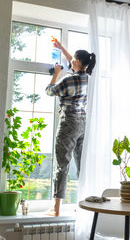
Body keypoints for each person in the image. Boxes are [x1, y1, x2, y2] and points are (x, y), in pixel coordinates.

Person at [45, 39, 96, 216]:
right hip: (83, 123)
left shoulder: (68, 80)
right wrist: (61, 48)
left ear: (79, 62)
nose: (70, 61)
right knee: (81, 164)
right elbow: (74, 63)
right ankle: (82, 205)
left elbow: (50, 91)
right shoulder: (88, 78)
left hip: (68, 123)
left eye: (73, 59)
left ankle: (56, 208)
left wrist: (56, 74)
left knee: (62, 164)